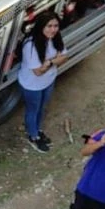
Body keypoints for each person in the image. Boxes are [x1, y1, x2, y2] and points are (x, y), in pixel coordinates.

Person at [18, 11, 69, 153]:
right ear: (41, 26)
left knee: (42, 107)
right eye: (49, 26)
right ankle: (33, 136)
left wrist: (49, 62)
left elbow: (65, 57)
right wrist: (54, 61)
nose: (53, 29)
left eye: (55, 26)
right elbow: (37, 71)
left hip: (48, 81)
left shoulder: (55, 38)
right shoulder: (31, 45)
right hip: (32, 85)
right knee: (33, 110)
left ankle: (37, 129)